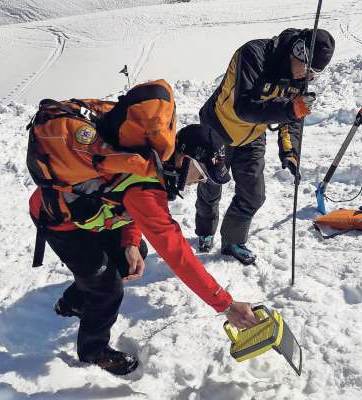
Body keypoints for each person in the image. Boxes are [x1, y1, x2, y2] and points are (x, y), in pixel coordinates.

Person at [28, 81, 258, 376]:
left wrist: (131, 240)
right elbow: (177, 253)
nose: (194, 184)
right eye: (198, 175)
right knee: (107, 288)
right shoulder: (145, 186)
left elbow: (122, 197)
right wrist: (226, 304)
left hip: (87, 211)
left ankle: (71, 304)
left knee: (128, 257)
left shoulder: (149, 160)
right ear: (184, 158)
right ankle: (92, 351)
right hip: (59, 221)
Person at [195, 28, 335, 265]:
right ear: (297, 51)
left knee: (254, 194)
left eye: (315, 75)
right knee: (211, 185)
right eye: (308, 70)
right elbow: (245, 106)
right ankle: (205, 230)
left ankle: (232, 242)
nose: (308, 78)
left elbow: (292, 118)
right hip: (218, 130)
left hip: (252, 136)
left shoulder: (299, 79)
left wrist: (290, 151)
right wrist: (289, 109)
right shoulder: (254, 54)